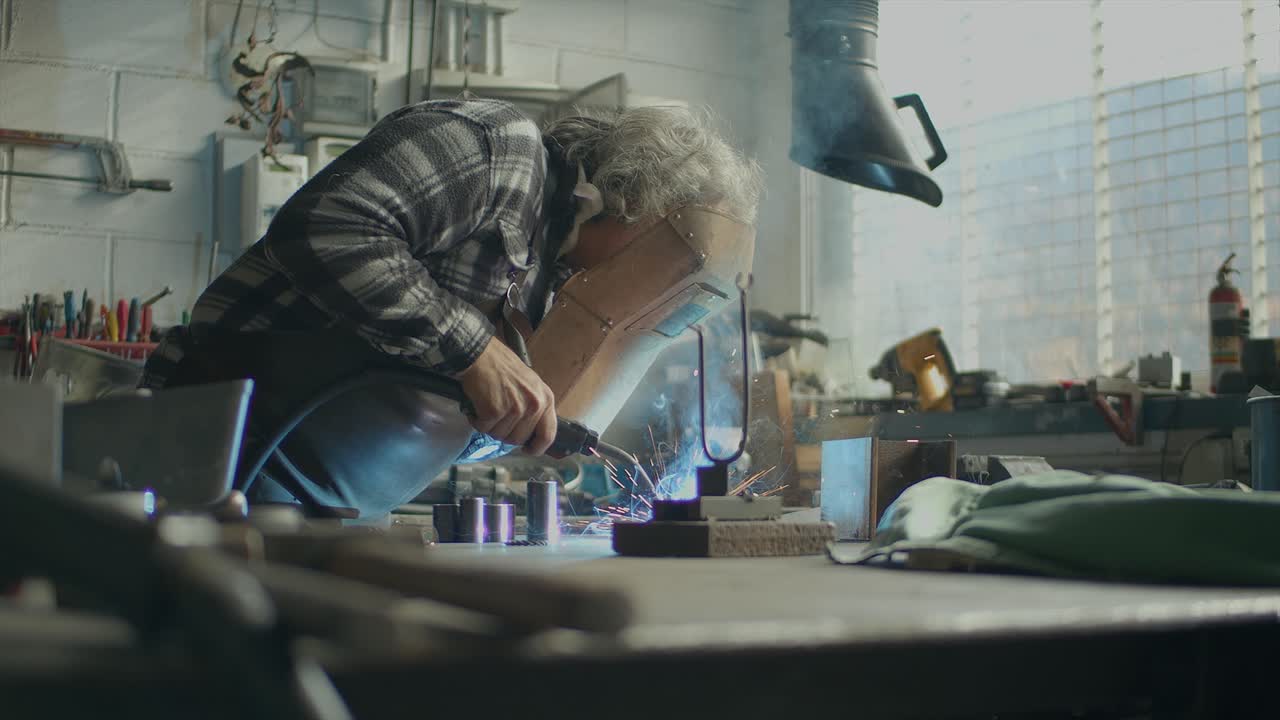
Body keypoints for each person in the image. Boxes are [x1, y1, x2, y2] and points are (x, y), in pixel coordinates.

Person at [142, 98, 762, 519]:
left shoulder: (554, 280)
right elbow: (328, 229)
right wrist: (473, 351)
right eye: (665, 255)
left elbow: (423, 404)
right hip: (219, 459)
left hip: (331, 503)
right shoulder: (497, 149)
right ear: (636, 200)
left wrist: (512, 427)